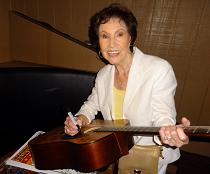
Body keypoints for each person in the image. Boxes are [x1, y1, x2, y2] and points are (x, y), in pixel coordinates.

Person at [64, 3, 190, 174]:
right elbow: (91, 105)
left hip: (148, 157)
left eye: (119, 34)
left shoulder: (159, 69)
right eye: (104, 36)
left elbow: (163, 115)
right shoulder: (103, 75)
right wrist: (78, 119)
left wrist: (168, 132)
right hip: (113, 152)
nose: (111, 44)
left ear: (130, 37)